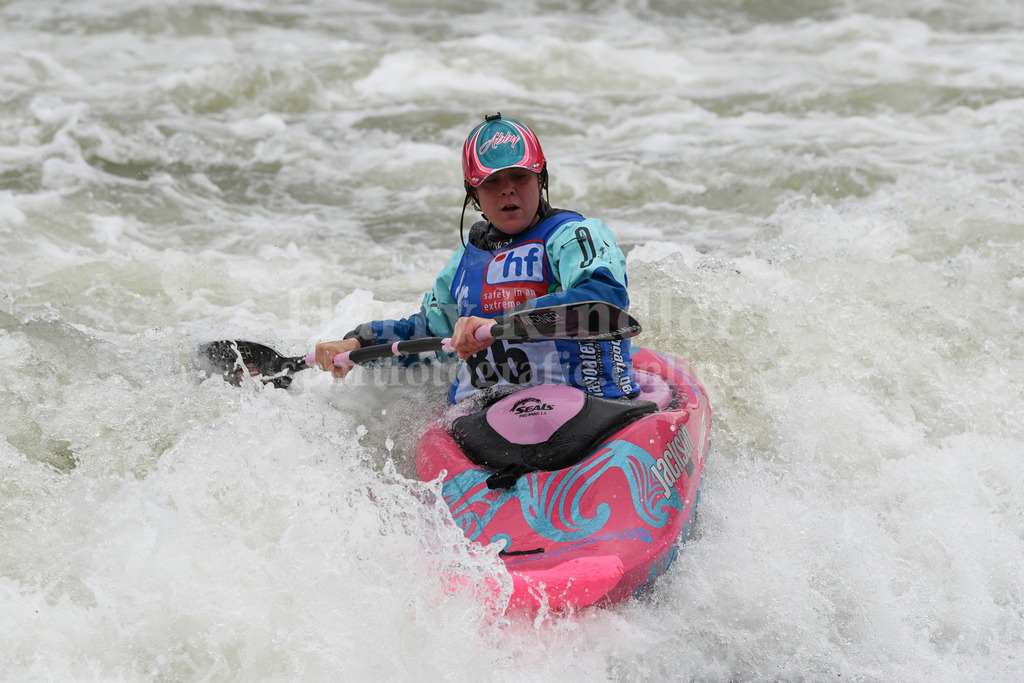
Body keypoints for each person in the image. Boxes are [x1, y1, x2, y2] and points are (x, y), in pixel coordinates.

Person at [313, 113, 639, 404]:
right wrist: (357, 344)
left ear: (540, 179)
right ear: (473, 193)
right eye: (492, 181)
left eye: (519, 176)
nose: (507, 190)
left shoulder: (574, 236)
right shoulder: (465, 261)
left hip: (584, 405)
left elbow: (603, 301)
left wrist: (501, 324)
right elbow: (427, 334)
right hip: (487, 415)